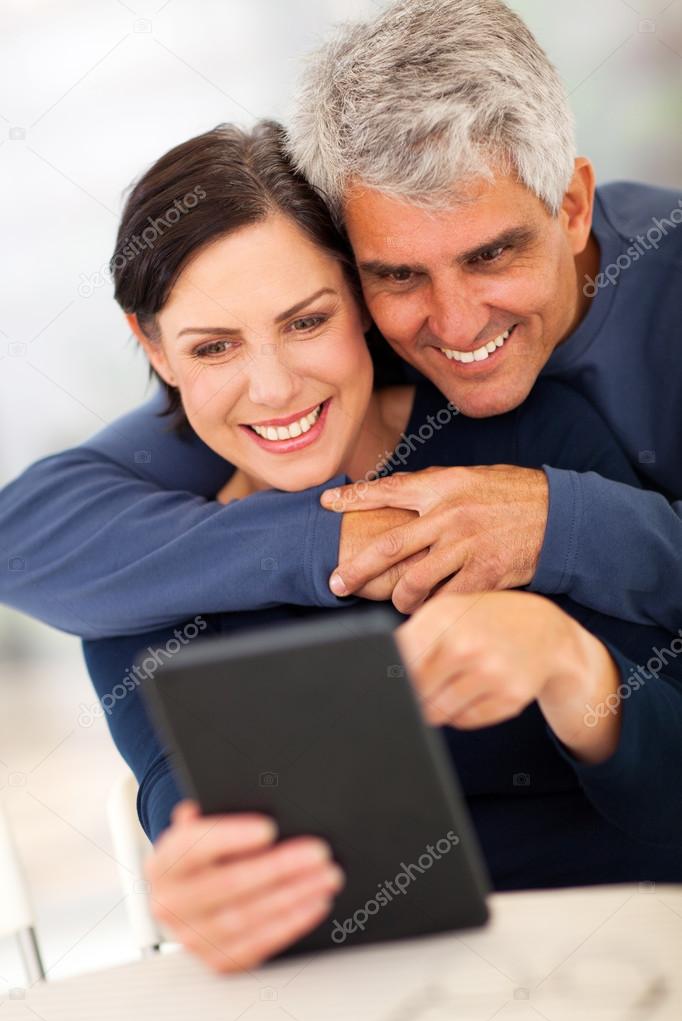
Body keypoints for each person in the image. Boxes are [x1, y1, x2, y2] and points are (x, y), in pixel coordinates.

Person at [46, 120, 676, 973]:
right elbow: (184, 809)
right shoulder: (142, 573)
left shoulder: (529, 436)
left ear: (365, 303)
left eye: (306, 321)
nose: (273, 387)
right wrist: (200, 879)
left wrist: (572, 664)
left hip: (625, 956)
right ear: (153, 347)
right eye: (214, 346)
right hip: (364, 984)